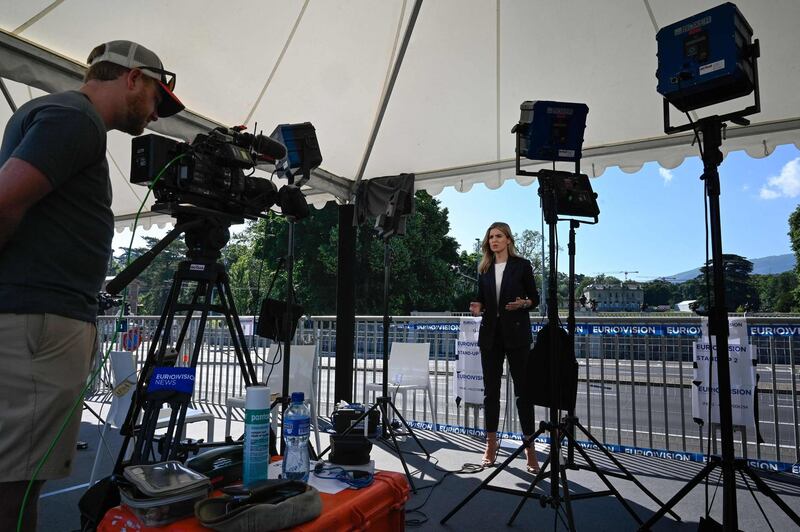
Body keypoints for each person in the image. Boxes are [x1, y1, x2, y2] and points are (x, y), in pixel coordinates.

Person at [0, 40, 183, 530]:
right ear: (132, 78)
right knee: (16, 485)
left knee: (18, 476)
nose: (156, 114)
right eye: (156, 98)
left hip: (39, 317)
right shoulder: (75, 119)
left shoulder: (59, 116)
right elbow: (4, 200)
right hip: (41, 321)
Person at [470, 222, 540, 472]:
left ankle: (530, 450)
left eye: (498, 236)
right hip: (491, 336)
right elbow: (482, 299)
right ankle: (490, 446)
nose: (494, 241)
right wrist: (478, 307)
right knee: (491, 393)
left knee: (524, 393)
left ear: (509, 239)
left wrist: (524, 303)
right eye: (490, 237)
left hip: (518, 336)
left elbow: (535, 299)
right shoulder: (485, 268)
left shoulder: (522, 265)